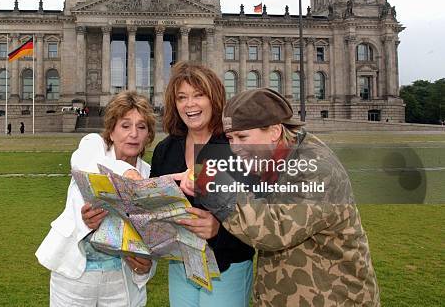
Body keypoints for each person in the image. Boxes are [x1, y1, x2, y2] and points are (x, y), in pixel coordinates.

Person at [196, 88, 380, 306]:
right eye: (230, 138)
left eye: (242, 136)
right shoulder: (274, 158)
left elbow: (275, 230)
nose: (235, 147)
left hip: (332, 298)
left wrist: (213, 184)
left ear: (274, 131)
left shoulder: (316, 167)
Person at [37, 91, 158, 307]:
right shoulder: (92, 147)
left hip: (123, 281)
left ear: (148, 136)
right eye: (125, 125)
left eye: (141, 127)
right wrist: (127, 173)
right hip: (75, 276)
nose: (133, 134)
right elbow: (84, 166)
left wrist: (147, 265)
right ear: (111, 132)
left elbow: (155, 237)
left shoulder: (150, 177)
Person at [150, 61, 254, 307]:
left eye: (199, 95)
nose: (190, 104)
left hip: (227, 263)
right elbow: (154, 209)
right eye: (182, 97)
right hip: (182, 264)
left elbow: (258, 215)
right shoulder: (166, 149)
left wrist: (220, 229)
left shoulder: (234, 146)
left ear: (214, 99)